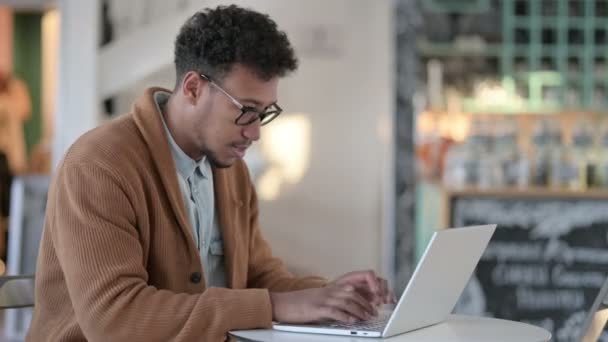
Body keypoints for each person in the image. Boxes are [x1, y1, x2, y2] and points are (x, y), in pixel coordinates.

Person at [27, 5, 394, 342]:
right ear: (193, 88)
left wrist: (329, 296)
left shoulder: (230, 170)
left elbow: (259, 276)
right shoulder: (99, 167)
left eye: (265, 112)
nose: (255, 132)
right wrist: (275, 306)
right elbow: (115, 320)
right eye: (246, 110)